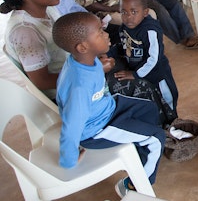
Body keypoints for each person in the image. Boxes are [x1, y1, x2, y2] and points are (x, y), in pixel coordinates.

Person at [52, 12, 165, 197]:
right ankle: (136, 184)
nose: (105, 34)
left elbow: (94, 77)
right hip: (97, 129)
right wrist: (69, 159)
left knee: (149, 107)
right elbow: (72, 125)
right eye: (99, 32)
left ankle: (137, 151)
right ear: (83, 47)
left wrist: (101, 65)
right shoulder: (79, 86)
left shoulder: (84, 60)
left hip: (107, 109)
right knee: (156, 138)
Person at [107, 0, 179, 117]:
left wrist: (135, 74)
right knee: (153, 100)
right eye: (124, 12)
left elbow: (153, 58)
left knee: (167, 99)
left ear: (145, 12)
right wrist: (109, 54)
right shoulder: (125, 26)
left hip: (157, 73)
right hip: (139, 70)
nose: (128, 17)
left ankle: (173, 120)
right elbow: (123, 45)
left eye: (134, 12)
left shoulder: (150, 30)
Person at [1, 0, 65, 98]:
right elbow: (42, 81)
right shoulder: (25, 32)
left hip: (74, 73)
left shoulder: (48, 8)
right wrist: (86, 73)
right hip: (63, 94)